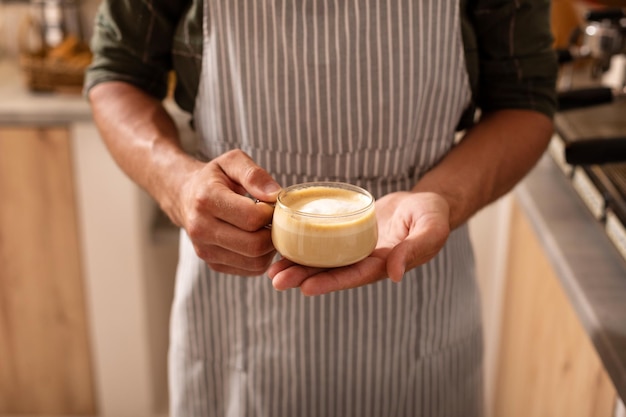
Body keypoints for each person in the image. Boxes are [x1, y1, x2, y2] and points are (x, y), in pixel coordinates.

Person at [85, 0, 557, 415]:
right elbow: (117, 73)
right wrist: (179, 184)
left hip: (416, 291)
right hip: (236, 315)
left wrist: (444, 198)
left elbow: (524, 98)